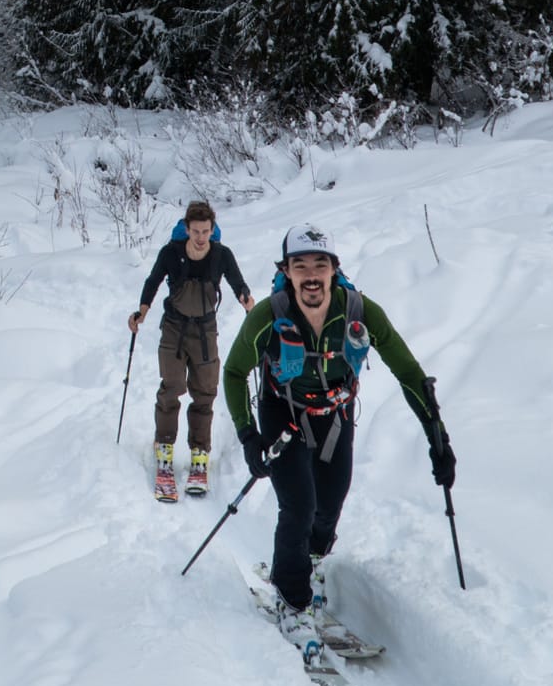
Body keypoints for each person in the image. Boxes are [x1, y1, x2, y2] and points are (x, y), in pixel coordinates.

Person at [223, 222, 455, 647]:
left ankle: (308, 563)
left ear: (333, 268)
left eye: (319, 264)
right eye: (300, 265)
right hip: (284, 413)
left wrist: (437, 436)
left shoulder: (359, 311)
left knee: (330, 503)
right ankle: (292, 602)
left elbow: (407, 372)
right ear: (286, 271)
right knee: (299, 505)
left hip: (335, 411)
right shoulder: (269, 315)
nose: (311, 274)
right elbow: (235, 371)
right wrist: (247, 435)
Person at [129, 200, 255, 502]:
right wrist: (141, 313)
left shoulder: (221, 255)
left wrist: (249, 304)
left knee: (204, 392)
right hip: (173, 328)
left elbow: (238, 283)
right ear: (186, 229)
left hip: (205, 332)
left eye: (206, 231)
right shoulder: (171, 253)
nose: (201, 237)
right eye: (196, 231)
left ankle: (200, 455)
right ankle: (165, 451)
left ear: (213, 231)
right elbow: (153, 281)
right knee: (171, 388)